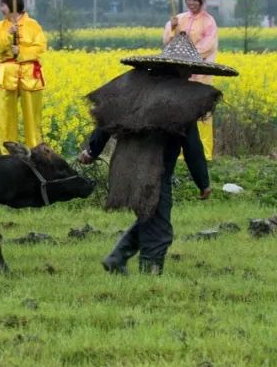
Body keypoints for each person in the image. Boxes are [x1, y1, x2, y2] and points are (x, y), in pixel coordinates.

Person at [77, 33, 235, 275]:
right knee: (160, 230)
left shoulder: (135, 88)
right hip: (153, 172)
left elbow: (106, 120)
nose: (190, 75)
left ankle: (116, 259)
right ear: (184, 70)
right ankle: (149, 278)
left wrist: (90, 151)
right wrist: (203, 183)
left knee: (150, 217)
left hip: (122, 168)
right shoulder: (183, 99)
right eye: (189, 70)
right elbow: (192, 147)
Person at [163, 0, 219, 159]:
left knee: (202, 112)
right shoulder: (178, 18)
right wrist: (171, 27)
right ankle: (179, 151)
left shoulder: (209, 21)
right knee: (180, 110)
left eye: (195, 0)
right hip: (181, 74)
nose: (191, 3)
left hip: (200, 73)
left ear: (202, 2)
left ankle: (205, 152)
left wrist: (190, 57)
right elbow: (167, 41)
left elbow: (208, 45)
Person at [0, 0, 47, 153]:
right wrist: (8, 36)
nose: (1, 9)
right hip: (7, 75)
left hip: (30, 76)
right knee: (5, 117)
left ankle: (36, 153)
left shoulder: (33, 25)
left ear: (13, 6)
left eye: (3, 5)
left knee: (32, 119)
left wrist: (20, 51)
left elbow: (40, 48)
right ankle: (7, 154)